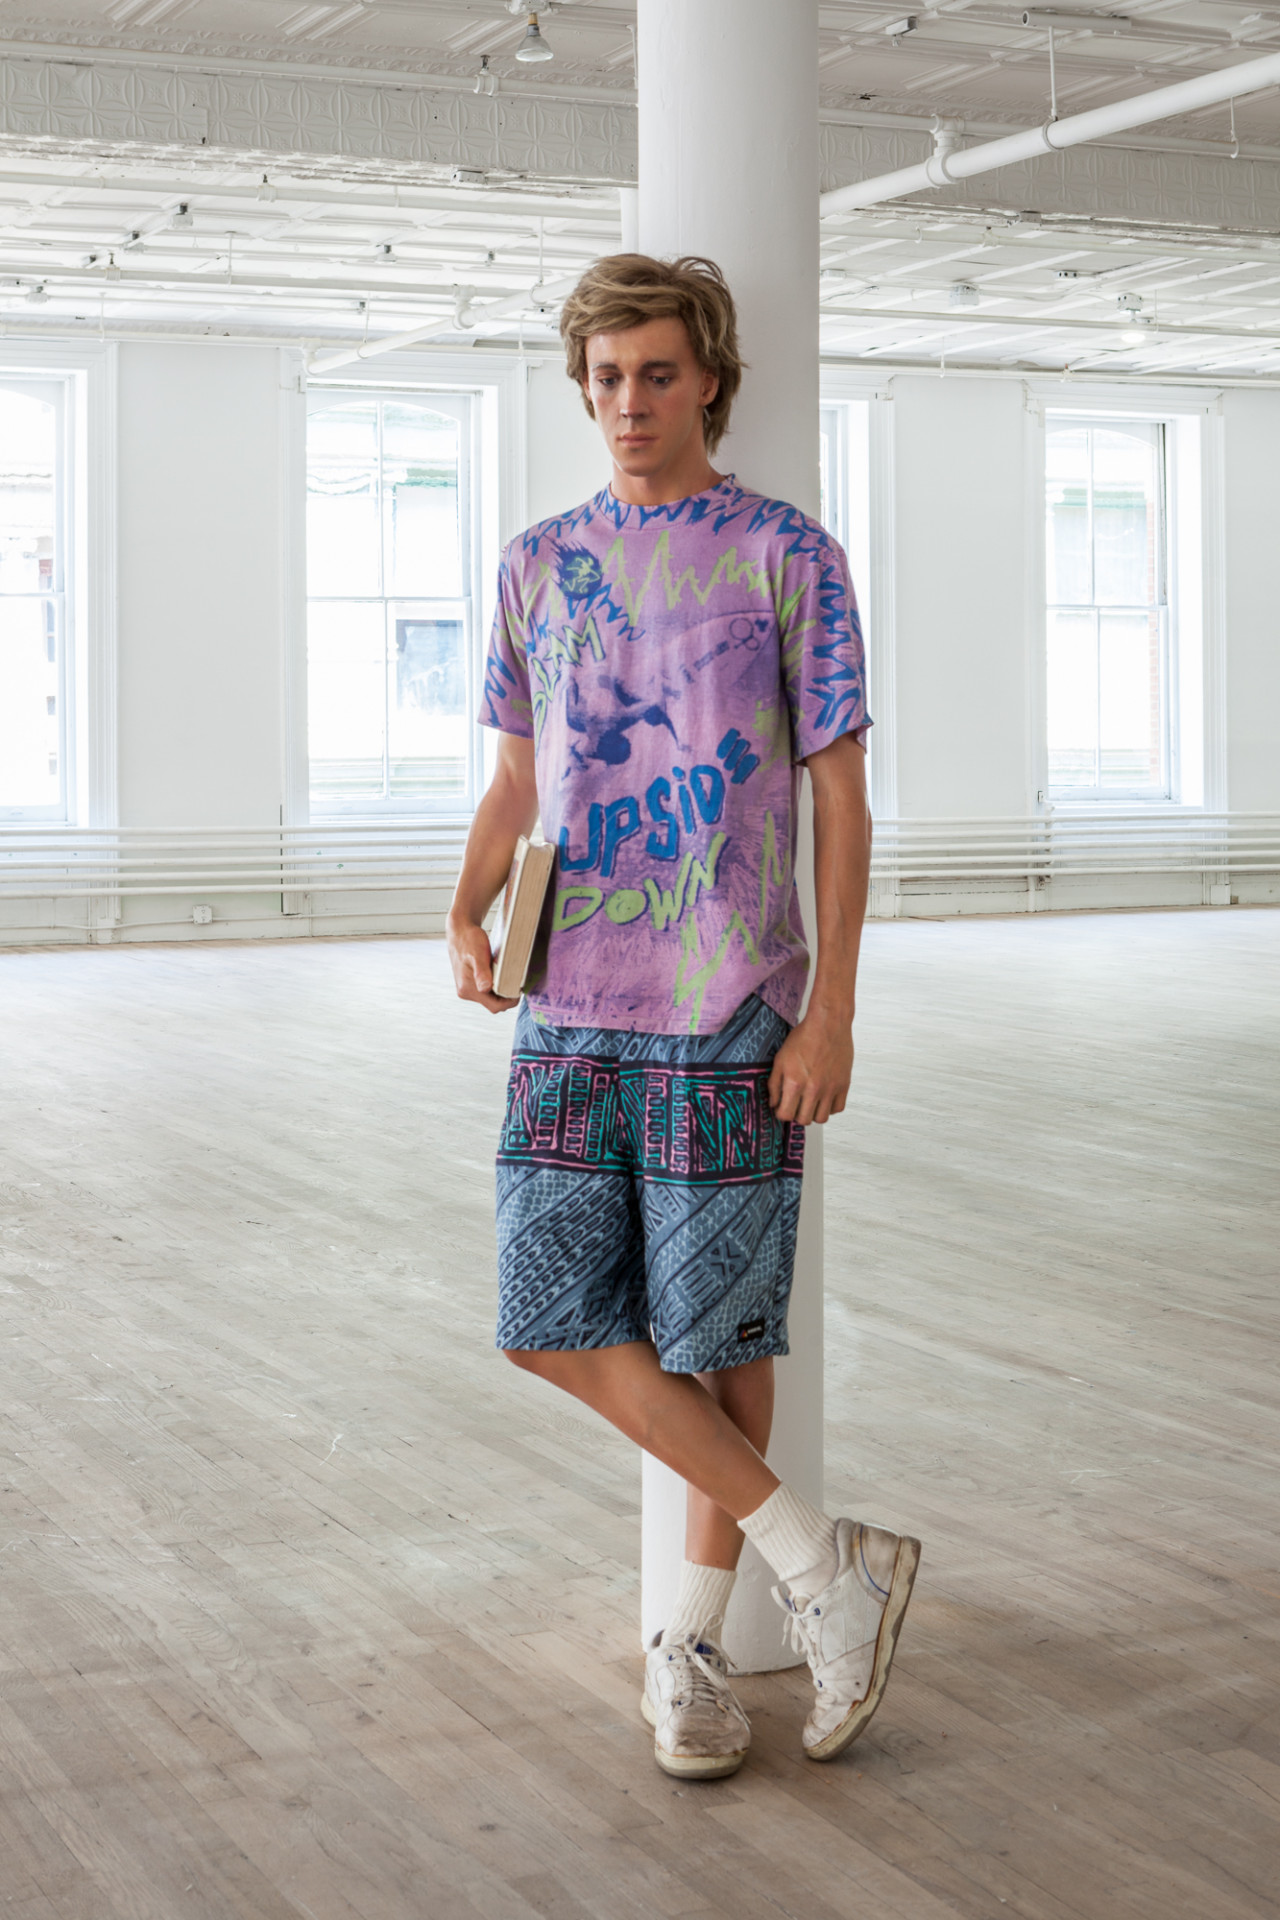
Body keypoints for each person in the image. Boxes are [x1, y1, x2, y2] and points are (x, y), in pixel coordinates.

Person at [447, 253, 920, 1781]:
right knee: (546, 1322)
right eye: (603, 379)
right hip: (571, 999)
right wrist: (466, 904)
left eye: (655, 374)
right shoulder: (536, 562)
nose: (627, 405)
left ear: (710, 377)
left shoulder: (789, 555)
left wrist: (832, 1006)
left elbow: (838, 793)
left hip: (732, 999)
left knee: (722, 1340)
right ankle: (822, 1559)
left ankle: (692, 1652)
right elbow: (521, 776)